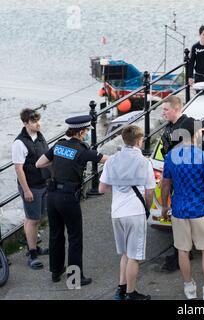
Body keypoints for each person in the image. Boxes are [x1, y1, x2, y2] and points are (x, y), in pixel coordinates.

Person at [36, 115, 107, 286]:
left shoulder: (59, 145)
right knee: (75, 238)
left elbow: (39, 164)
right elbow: (108, 160)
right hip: (68, 197)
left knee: (56, 234)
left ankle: (56, 271)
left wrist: (58, 164)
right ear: (82, 132)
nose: (88, 134)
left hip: (52, 196)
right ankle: (75, 278)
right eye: (87, 131)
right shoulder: (82, 150)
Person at [160, 117, 204, 300]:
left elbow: (165, 185)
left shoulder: (170, 156)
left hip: (179, 209)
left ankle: (189, 288)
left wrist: (165, 205)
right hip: (199, 210)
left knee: (182, 250)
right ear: (195, 133)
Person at [99, 125, 155, 300]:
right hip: (135, 212)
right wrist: (147, 208)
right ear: (139, 141)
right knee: (134, 256)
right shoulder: (144, 162)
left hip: (117, 212)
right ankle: (131, 293)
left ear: (124, 139)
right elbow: (150, 191)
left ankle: (121, 289)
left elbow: (102, 188)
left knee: (125, 253)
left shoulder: (112, 160)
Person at [12, 108, 50, 269]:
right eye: (34, 121)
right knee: (33, 219)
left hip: (43, 183)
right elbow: (19, 168)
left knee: (35, 218)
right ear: (25, 123)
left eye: (38, 120)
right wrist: (26, 190)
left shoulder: (40, 137)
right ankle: (32, 254)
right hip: (31, 186)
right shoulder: (19, 143)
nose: (38, 123)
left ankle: (34, 246)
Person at [159, 96, 189, 273]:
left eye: (165, 110)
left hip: (184, 180)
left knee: (181, 217)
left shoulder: (187, 125)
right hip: (174, 177)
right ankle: (181, 250)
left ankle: (181, 252)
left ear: (176, 109)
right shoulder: (170, 127)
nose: (163, 113)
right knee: (178, 218)